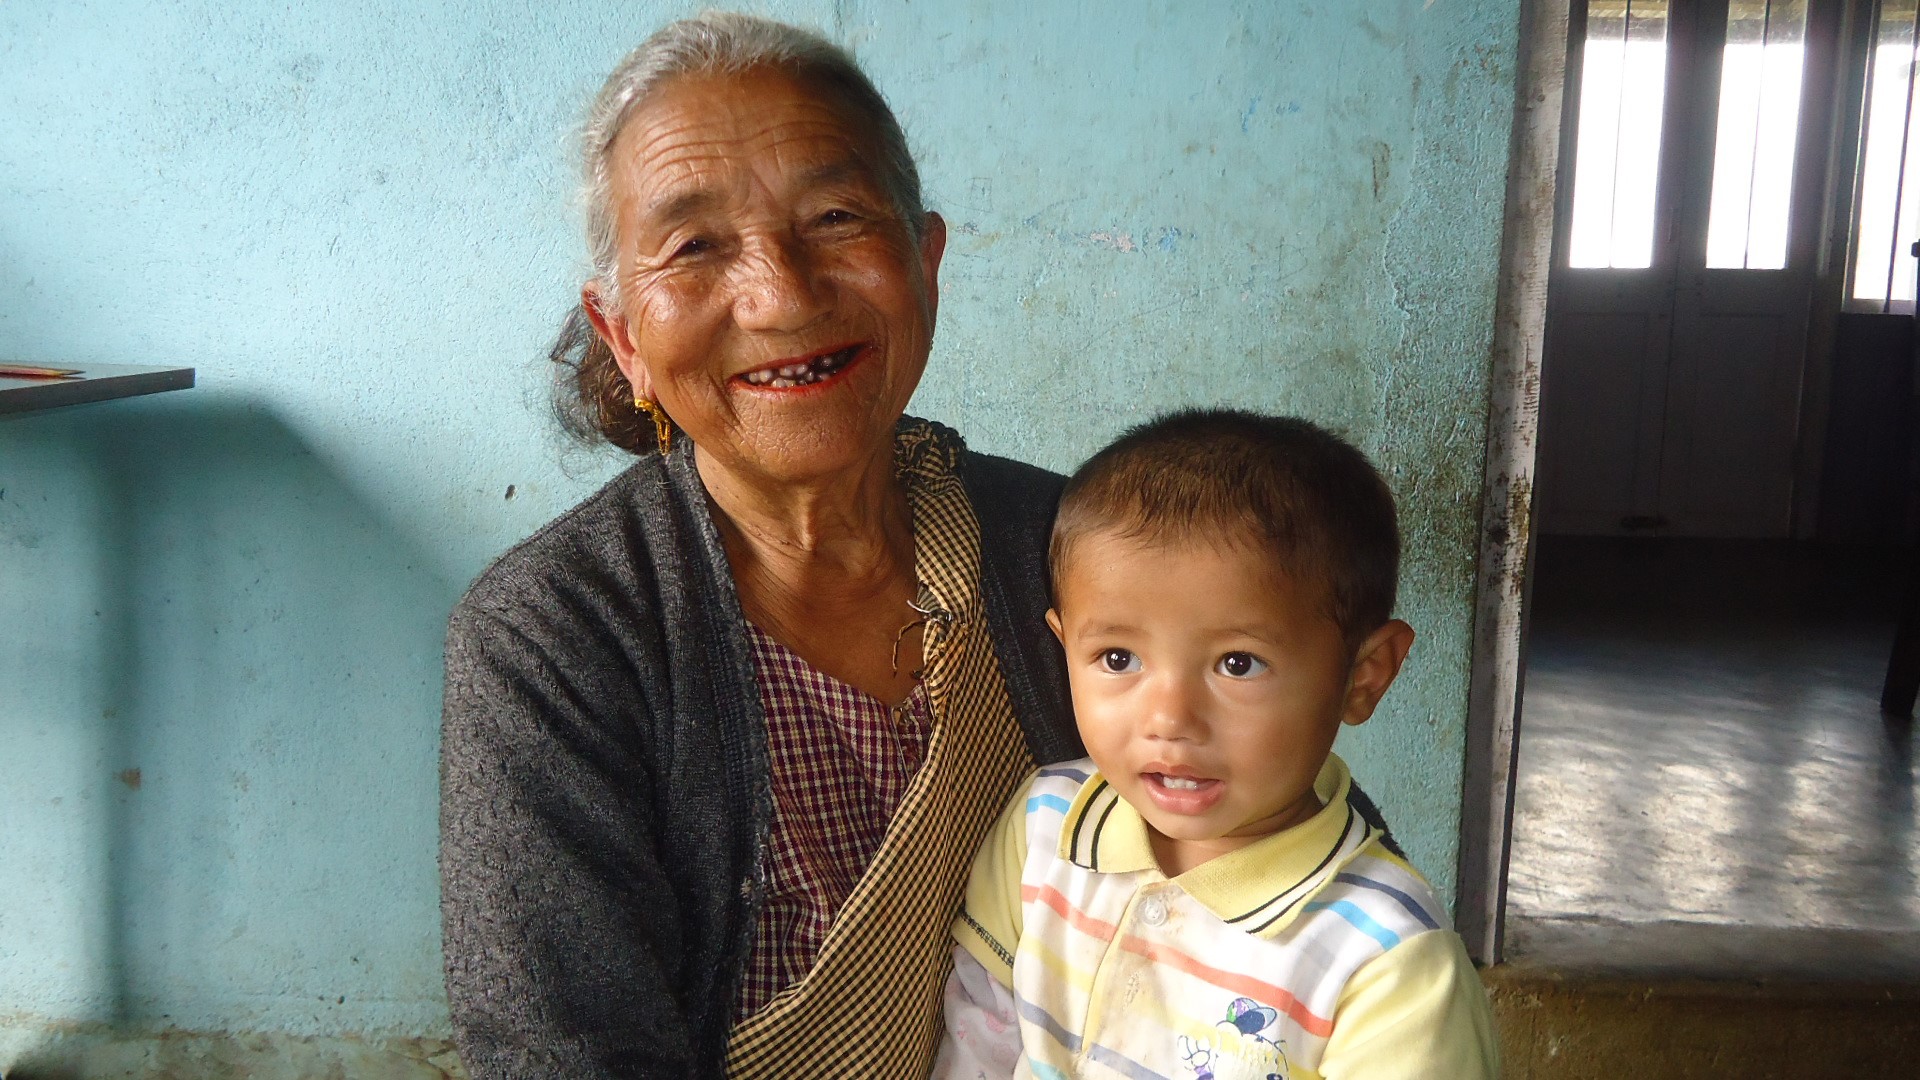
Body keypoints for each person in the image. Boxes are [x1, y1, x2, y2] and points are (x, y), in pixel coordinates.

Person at [436, 14, 1083, 1079]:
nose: (781, 295)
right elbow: (565, 1051)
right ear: (625, 340)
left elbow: (1293, 862)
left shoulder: (1071, 550)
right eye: (694, 246)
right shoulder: (553, 635)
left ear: (926, 261)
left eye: (835, 216)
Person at [935, 410, 1499, 1080]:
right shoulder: (1046, 824)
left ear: (1363, 675)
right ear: (1065, 648)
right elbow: (983, 1029)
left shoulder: (1388, 961)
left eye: (1238, 664)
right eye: (1118, 658)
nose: (1169, 718)